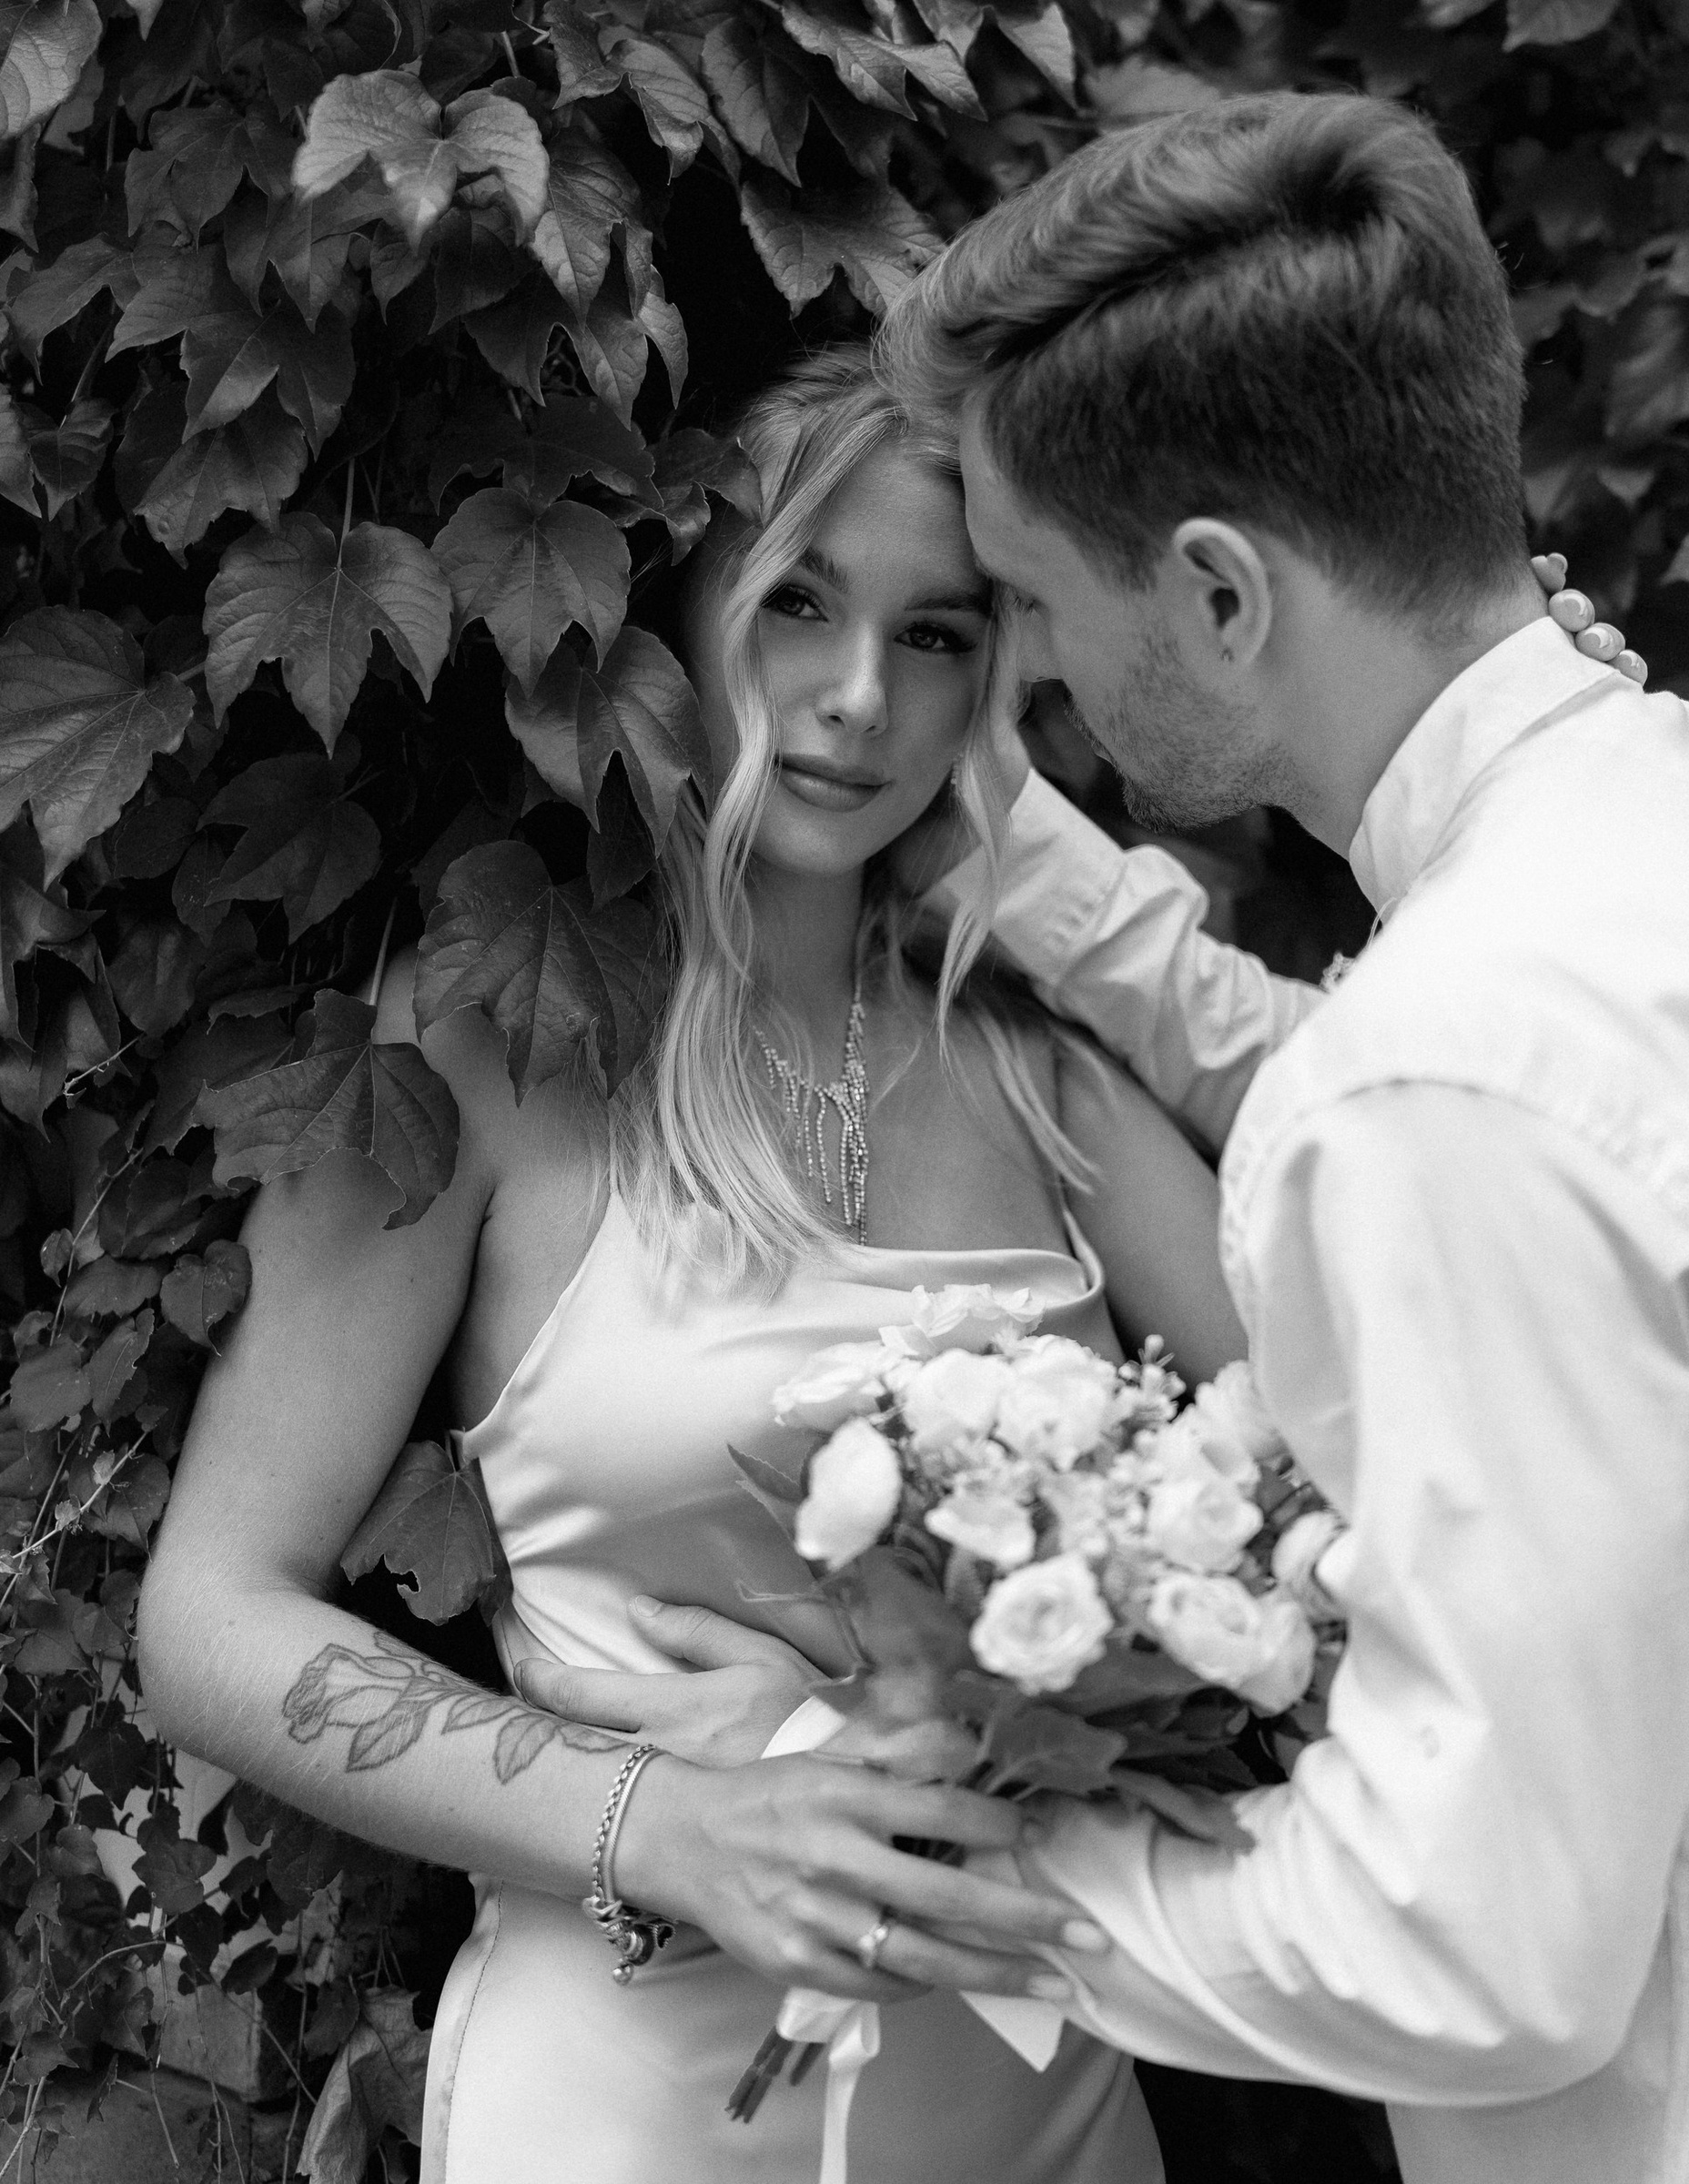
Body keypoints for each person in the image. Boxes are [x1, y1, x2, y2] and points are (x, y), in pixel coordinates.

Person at [137, 348, 1265, 2184]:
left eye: (935, 635)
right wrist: (663, 1819)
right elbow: (209, 1618)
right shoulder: (484, 1042)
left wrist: (923, 1724)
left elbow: (1339, 1508)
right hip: (634, 2108)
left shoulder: (1039, 1065)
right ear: (673, 610)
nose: (856, 697)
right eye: (796, 601)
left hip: (1049, 2106)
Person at [854, 84, 1689, 2184]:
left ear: (1222, 595)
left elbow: (1476, 1950)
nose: (1029, 683)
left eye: (1034, 603)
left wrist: (969, 1870)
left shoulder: (1448, 1077)